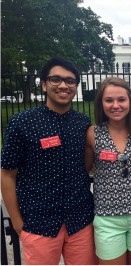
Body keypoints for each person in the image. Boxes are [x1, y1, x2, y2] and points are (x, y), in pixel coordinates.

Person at [1, 56, 98, 265]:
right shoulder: (22, 122)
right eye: (56, 79)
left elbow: (86, 165)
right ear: (44, 84)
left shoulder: (82, 123)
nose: (63, 85)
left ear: (75, 86)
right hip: (39, 223)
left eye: (70, 81)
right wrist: (18, 223)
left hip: (79, 221)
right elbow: (7, 174)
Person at [85, 77, 131, 265]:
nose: (115, 105)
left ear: (130, 102)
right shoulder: (93, 134)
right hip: (108, 218)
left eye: (121, 100)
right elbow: (86, 168)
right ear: (101, 103)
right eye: (109, 100)